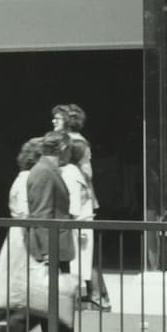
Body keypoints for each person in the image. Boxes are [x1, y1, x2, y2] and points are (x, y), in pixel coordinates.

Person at [0, 135, 83, 332]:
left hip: (55, 244)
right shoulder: (44, 173)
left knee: (51, 298)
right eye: (69, 150)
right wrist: (47, 253)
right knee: (54, 298)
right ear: (63, 148)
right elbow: (43, 215)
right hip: (52, 245)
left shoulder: (48, 171)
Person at [53, 103, 110, 311]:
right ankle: (95, 295)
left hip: (79, 201)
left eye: (58, 118)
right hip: (80, 200)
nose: (53, 122)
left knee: (80, 250)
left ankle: (93, 295)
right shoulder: (74, 141)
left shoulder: (75, 142)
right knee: (84, 251)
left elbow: (87, 173)